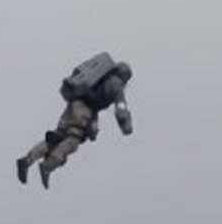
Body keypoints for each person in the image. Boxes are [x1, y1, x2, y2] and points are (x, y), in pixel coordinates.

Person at [16, 53, 134, 188]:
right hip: (84, 109)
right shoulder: (116, 83)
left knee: (57, 137)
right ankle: (48, 166)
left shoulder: (100, 80)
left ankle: (27, 160)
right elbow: (121, 107)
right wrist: (126, 125)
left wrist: (93, 124)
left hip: (75, 104)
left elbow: (95, 106)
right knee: (72, 140)